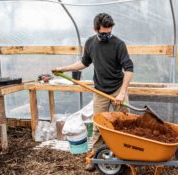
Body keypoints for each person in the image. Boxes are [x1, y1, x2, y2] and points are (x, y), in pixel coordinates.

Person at [52, 13, 133, 171]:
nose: (106, 36)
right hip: (100, 90)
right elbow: (83, 63)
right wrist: (63, 69)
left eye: (109, 33)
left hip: (117, 89)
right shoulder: (90, 43)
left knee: (124, 124)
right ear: (95, 29)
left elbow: (129, 68)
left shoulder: (118, 44)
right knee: (98, 125)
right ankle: (95, 157)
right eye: (103, 33)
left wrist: (122, 92)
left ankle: (126, 156)